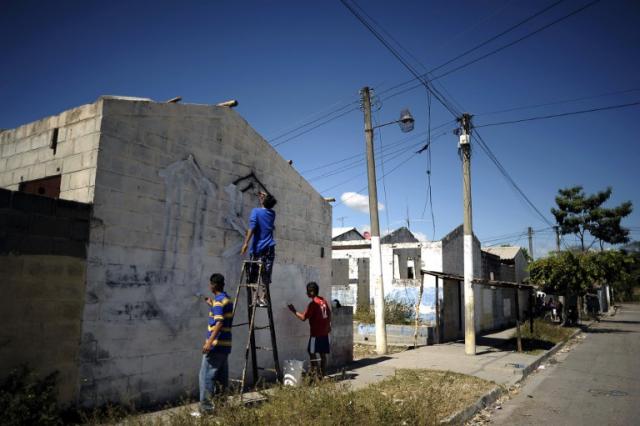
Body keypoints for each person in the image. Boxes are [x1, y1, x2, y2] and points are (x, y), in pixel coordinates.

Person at [195, 273, 234, 416]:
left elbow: (219, 322)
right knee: (221, 378)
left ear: (213, 285)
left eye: (210, 284)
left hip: (215, 346)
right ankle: (222, 406)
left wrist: (209, 343)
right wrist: (212, 304)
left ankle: (206, 410)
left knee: (205, 377)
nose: (209, 286)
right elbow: (222, 314)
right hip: (225, 346)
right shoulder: (227, 300)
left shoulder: (219, 302)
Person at [288, 282, 332, 378]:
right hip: (325, 332)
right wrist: (328, 326)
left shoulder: (313, 304)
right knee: (322, 354)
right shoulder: (323, 301)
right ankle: (322, 375)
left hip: (316, 333)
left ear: (311, 292)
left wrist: (293, 310)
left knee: (311, 352)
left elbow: (303, 318)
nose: (306, 293)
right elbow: (329, 313)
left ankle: (314, 375)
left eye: (307, 291)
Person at [241, 191, 277, 304]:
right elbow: (268, 202)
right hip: (269, 248)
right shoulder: (272, 213)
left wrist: (246, 243)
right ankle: (263, 297)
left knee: (253, 274)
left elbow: (251, 228)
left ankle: (255, 298)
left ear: (263, 201)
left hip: (258, 249)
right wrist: (265, 196)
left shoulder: (255, 212)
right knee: (266, 274)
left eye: (262, 197)